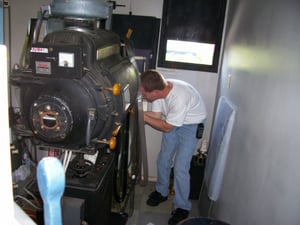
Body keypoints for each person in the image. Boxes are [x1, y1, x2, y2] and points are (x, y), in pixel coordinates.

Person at [140, 70, 207, 225]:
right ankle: (162, 192)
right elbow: (156, 117)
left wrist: (142, 116)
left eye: (144, 94)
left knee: (180, 167)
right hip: (173, 120)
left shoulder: (179, 97)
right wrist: (138, 112)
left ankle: (182, 207)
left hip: (191, 125)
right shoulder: (159, 89)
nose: (143, 96)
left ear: (155, 92)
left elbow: (167, 127)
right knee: (163, 158)